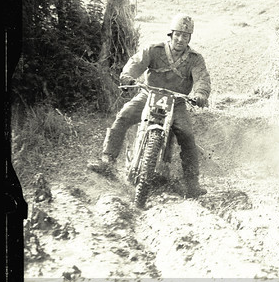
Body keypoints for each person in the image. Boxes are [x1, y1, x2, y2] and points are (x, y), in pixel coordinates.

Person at [87, 14, 212, 198]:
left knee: (187, 136)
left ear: (189, 38)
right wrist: (128, 76)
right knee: (123, 116)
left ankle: (192, 183)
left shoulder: (195, 59)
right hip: (149, 94)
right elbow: (137, 62)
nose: (180, 39)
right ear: (171, 34)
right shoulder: (155, 50)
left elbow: (202, 78)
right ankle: (107, 160)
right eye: (177, 34)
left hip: (176, 102)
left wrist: (200, 94)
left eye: (185, 36)